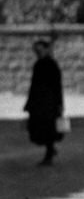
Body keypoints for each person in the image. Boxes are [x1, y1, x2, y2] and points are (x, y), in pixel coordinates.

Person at [24, 38, 64, 166]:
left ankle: (49, 153)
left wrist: (60, 103)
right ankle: (50, 149)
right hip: (39, 101)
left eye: (40, 50)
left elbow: (57, 86)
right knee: (40, 127)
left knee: (48, 128)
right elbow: (34, 85)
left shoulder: (51, 65)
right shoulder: (39, 64)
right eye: (36, 51)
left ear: (46, 49)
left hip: (49, 102)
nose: (38, 53)